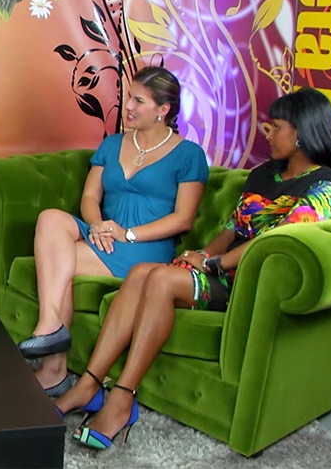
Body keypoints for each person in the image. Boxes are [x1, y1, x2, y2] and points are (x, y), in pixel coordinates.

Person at [56, 87, 331, 450]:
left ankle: (122, 398)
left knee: (160, 280)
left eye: (276, 127)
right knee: (142, 272)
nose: (269, 133)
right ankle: (89, 384)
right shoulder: (264, 174)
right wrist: (198, 255)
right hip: (218, 269)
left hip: (248, 283)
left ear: (301, 132)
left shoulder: (326, 184)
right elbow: (231, 231)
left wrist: (212, 264)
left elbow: (276, 241)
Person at [18, 66, 210, 396]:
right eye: (129, 97)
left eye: (139, 101)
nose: (128, 106)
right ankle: (51, 326)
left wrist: (128, 234)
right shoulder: (113, 144)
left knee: (56, 262)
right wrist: (97, 226)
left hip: (144, 245)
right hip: (104, 234)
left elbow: (183, 219)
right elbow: (90, 197)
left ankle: (53, 368)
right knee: (50, 218)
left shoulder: (189, 155)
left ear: (163, 109)